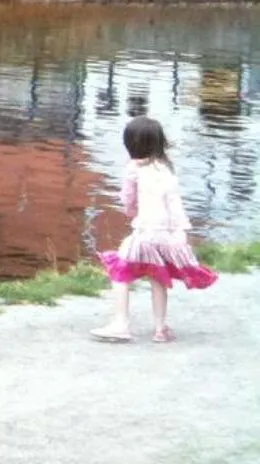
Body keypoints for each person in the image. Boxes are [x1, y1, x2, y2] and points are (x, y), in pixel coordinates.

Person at [92, 116, 217, 343]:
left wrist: (132, 213)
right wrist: (180, 232)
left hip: (145, 232)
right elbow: (175, 205)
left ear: (130, 144)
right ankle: (160, 328)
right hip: (168, 234)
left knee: (119, 271)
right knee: (158, 276)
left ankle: (121, 323)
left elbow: (128, 199)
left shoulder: (133, 169)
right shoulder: (167, 170)